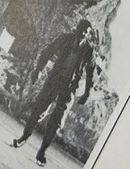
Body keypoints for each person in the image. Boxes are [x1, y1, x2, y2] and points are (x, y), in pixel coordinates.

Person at [11, 20, 97, 166]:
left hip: (69, 87)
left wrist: (87, 93)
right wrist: (38, 69)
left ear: (88, 34)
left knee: (56, 121)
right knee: (38, 109)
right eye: (81, 29)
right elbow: (47, 52)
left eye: (86, 31)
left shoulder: (89, 50)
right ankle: (23, 137)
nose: (82, 33)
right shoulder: (65, 38)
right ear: (76, 29)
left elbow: (90, 72)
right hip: (54, 80)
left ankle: (42, 151)